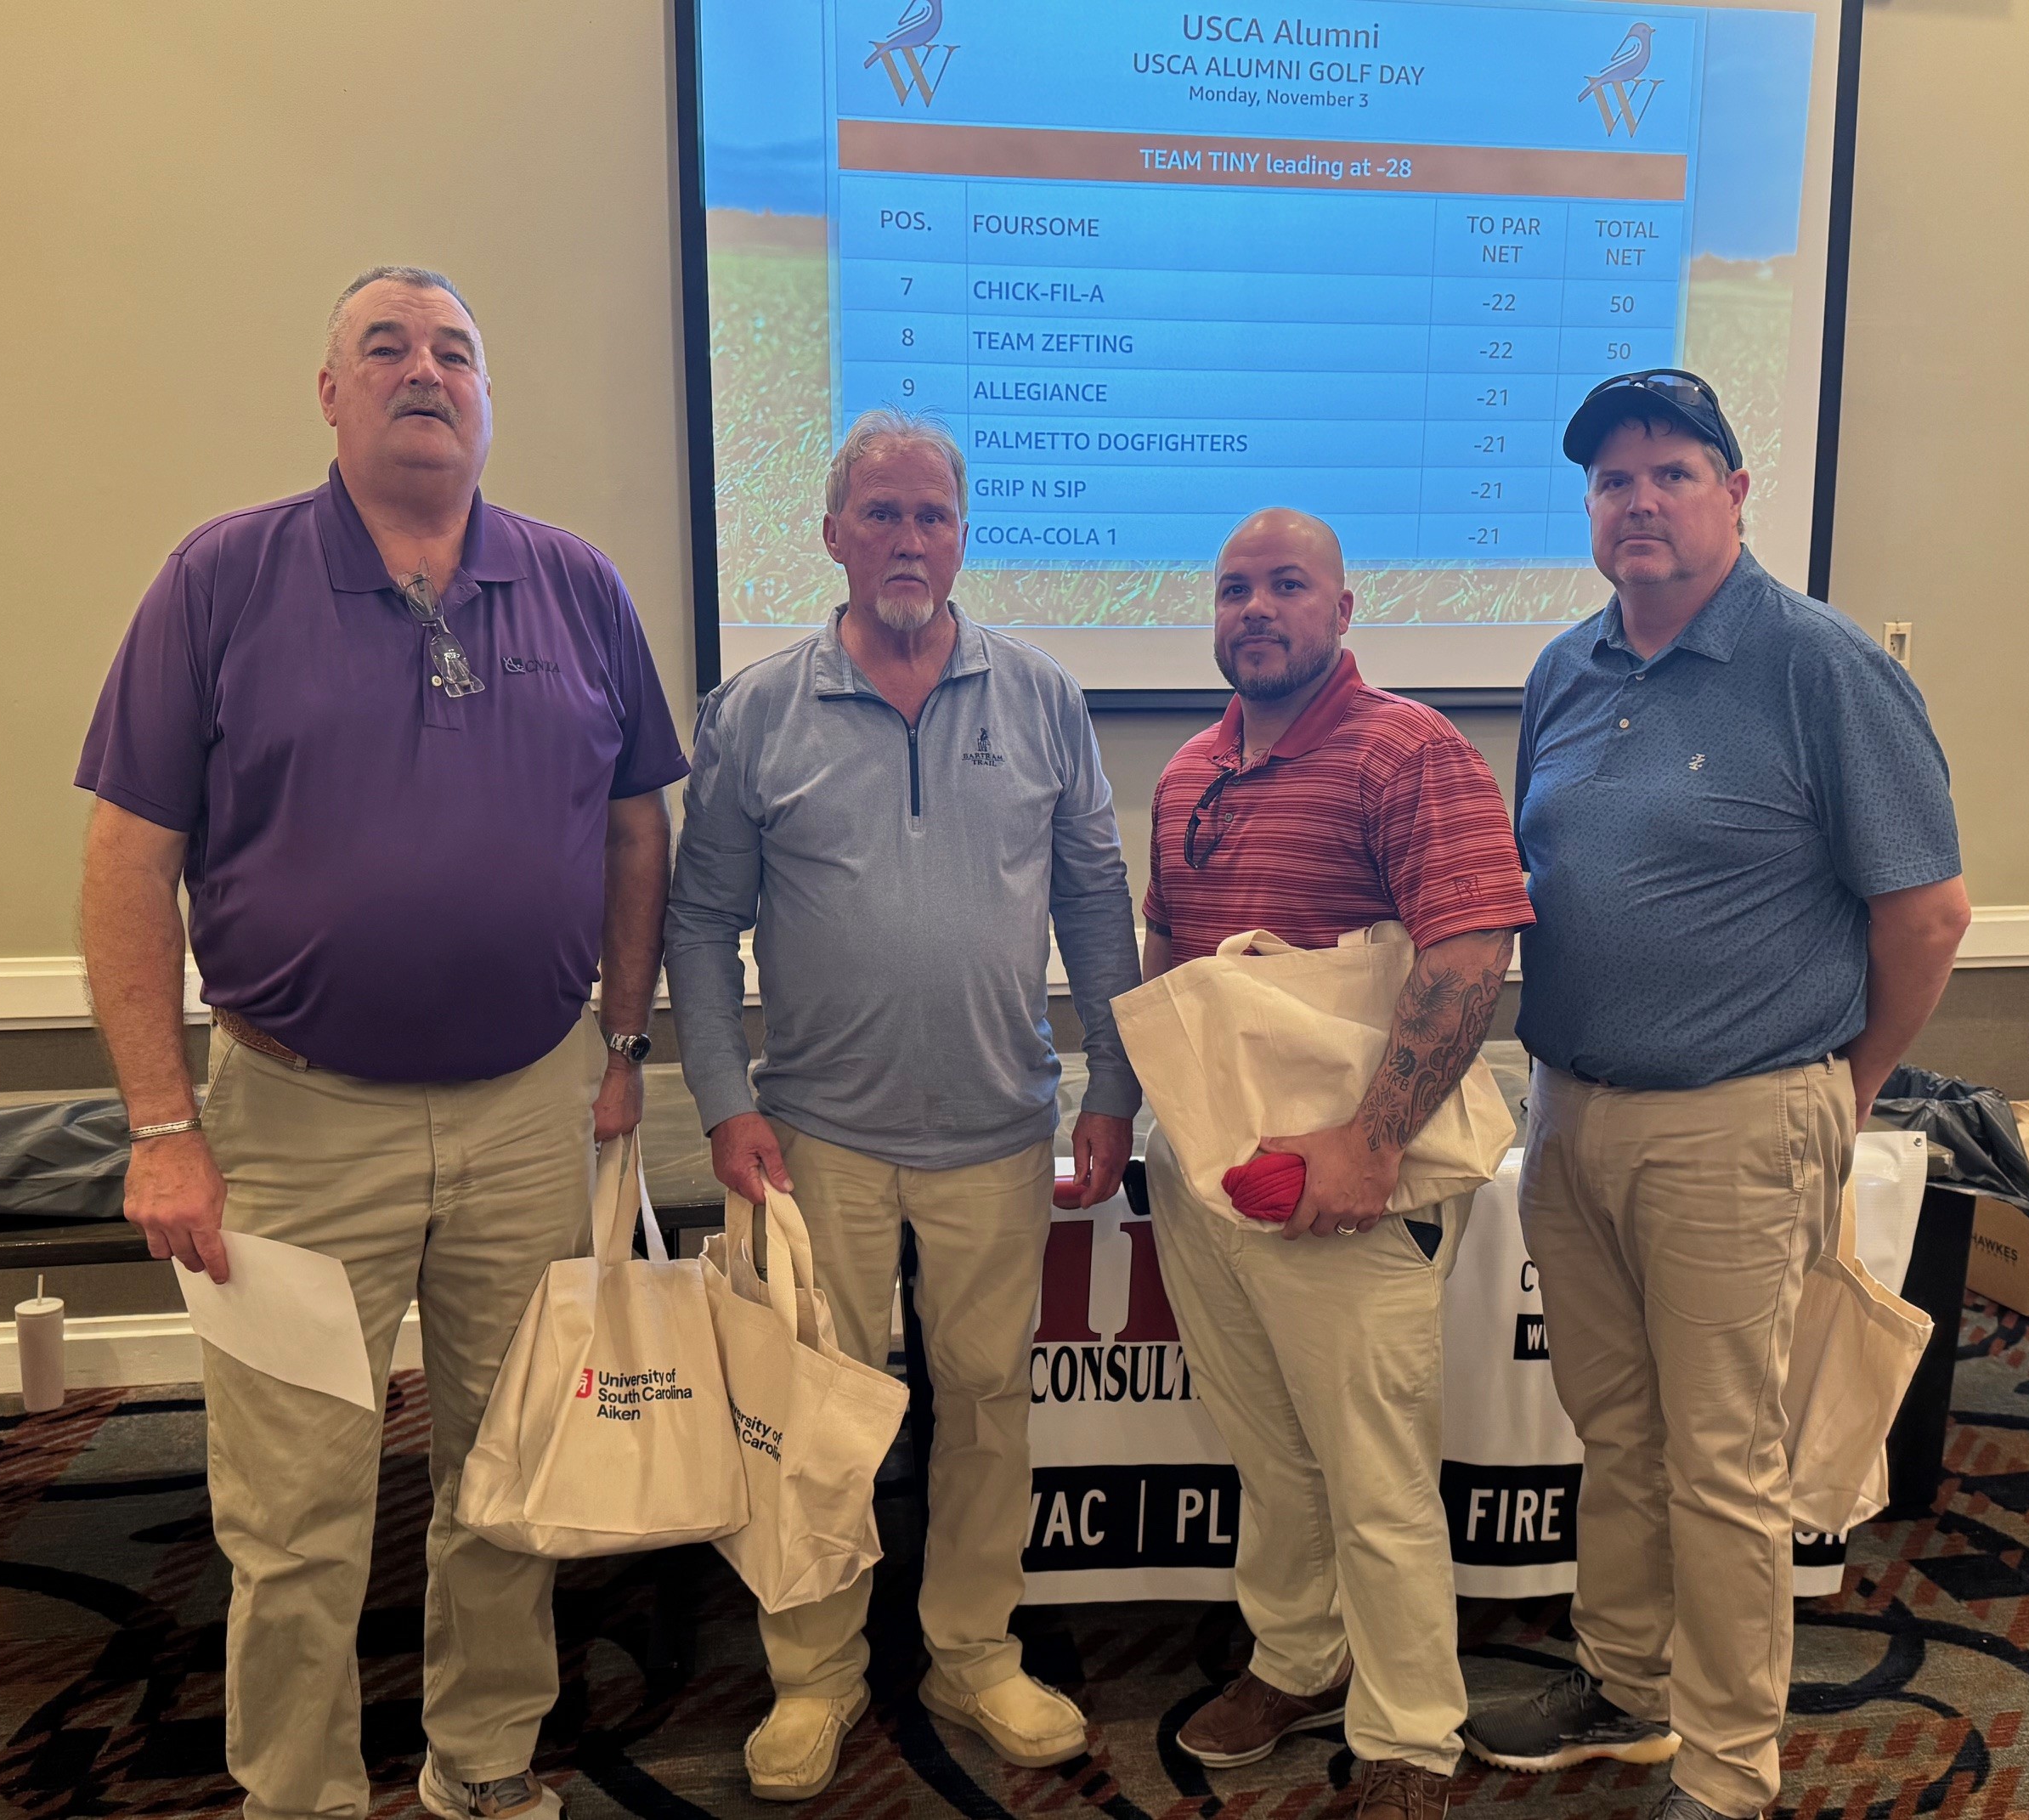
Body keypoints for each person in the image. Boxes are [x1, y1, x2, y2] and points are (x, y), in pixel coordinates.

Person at [76, 267, 686, 1820]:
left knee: (511, 1473)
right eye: (388, 346)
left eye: (457, 351)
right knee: (293, 1510)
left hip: (529, 1112)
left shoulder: (578, 586)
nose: (427, 369)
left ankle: (483, 1762)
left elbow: (638, 830)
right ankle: (301, 1794)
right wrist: (162, 1125)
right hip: (292, 1123)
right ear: (331, 392)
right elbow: (128, 861)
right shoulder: (221, 579)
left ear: (487, 398)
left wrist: (624, 1040)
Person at [1465, 370, 1970, 1820]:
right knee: (1618, 1431)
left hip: (1739, 1121)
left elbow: (1928, 915)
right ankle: (1627, 1685)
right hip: (1571, 1111)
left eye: (1673, 473)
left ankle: (1731, 1768)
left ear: (1737, 493)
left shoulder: (1822, 666)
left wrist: (1843, 1086)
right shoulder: (1566, 669)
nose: (1640, 502)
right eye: (1613, 480)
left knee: (1725, 1460)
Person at [664, 409, 1143, 1800]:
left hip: (1000, 1128)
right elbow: (700, 922)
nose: (909, 539)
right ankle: (813, 1673)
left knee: (987, 1401)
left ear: (964, 533)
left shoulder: (1041, 697)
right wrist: (721, 1099)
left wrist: (1114, 1082)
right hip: (814, 1134)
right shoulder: (756, 711)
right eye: (881, 513)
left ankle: (970, 1652)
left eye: (932, 513)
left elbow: (1095, 903)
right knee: (815, 1408)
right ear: (830, 534)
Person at [1137, 508, 1534, 1820]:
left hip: (1358, 1188)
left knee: (1375, 1476)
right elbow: (1170, 958)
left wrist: (1372, 1142)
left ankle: (1414, 1732)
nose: (1256, 608)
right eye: (1234, 587)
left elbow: (1471, 952)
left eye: (1287, 585)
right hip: (1214, 1178)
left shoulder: (1409, 751)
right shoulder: (1189, 771)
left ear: (1344, 608)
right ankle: (1299, 1657)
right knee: (1270, 1451)